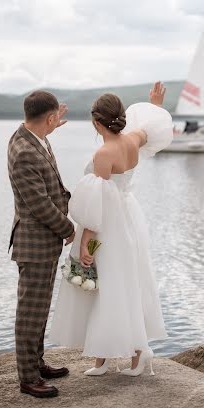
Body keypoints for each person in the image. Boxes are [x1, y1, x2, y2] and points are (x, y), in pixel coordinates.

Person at [50, 82, 173, 377]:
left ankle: (136, 355)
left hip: (108, 224)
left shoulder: (105, 153)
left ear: (96, 122)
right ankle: (104, 358)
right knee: (125, 283)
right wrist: (154, 105)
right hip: (128, 217)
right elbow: (152, 127)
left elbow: (96, 205)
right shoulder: (134, 139)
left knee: (109, 287)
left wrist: (85, 245)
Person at [7, 91, 75, 399]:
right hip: (34, 243)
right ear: (48, 118)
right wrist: (68, 228)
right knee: (30, 313)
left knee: (39, 309)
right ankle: (28, 378)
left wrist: (49, 128)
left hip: (43, 243)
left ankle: (37, 362)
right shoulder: (25, 152)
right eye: (53, 120)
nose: (55, 123)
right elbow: (40, 204)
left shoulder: (30, 137)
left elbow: (41, 142)